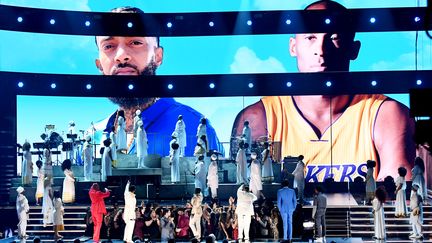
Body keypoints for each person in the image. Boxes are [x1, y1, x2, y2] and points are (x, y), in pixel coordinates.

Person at [230, 0, 415, 182]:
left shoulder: (386, 114)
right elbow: (245, 190)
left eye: (334, 38)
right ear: (293, 47)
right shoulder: (260, 116)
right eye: (311, 37)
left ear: (354, 49)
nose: (320, 49)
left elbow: (396, 195)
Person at [93, 7, 220, 157]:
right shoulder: (94, 134)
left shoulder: (194, 126)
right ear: (99, 64)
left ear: (158, 56)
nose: (121, 56)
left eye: (135, 42)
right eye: (109, 46)